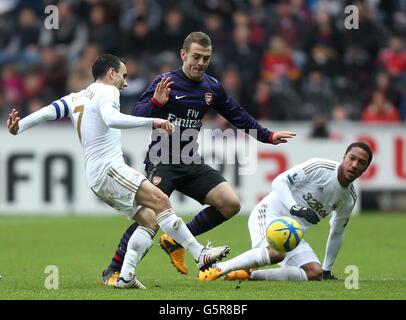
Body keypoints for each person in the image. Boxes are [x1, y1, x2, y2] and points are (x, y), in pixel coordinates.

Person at [6, 53, 230, 289]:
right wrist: (152, 121)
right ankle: (199, 254)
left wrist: (19, 126)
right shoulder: (107, 92)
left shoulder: (77, 97)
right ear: (111, 73)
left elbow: (50, 111)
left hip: (96, 176)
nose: (125, 82)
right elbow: (111, 119)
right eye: (123, 76)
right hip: (109, 168)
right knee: (161, 200)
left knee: (149, 221)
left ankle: (125, 277)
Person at [102, 31, 296, 285]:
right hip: (163, 160)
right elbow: (136, 114)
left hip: (191, 161)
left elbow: (237, 114)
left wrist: (268, 136)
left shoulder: (211, 87)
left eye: (205, 58)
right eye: (196, 56)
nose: (200, 63)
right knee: (149, 218)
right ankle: (114, 270)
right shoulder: (166, 81)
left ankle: (176, 240)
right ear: (183, 55)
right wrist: (155, 103)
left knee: (230, 203)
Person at [199, 142, 372, 282]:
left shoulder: (349, 198)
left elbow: (337, 232)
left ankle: (249, 275)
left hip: (291, 233)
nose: (355, 165)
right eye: (352, 158)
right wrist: (294, 207)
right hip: (268, 213)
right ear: (344, 157)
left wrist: (327, 268)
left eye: (361, 163)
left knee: (314, 273)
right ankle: (217, 269)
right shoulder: (320, 168)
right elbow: (279, 181)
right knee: (276, 254)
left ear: (366, 168)